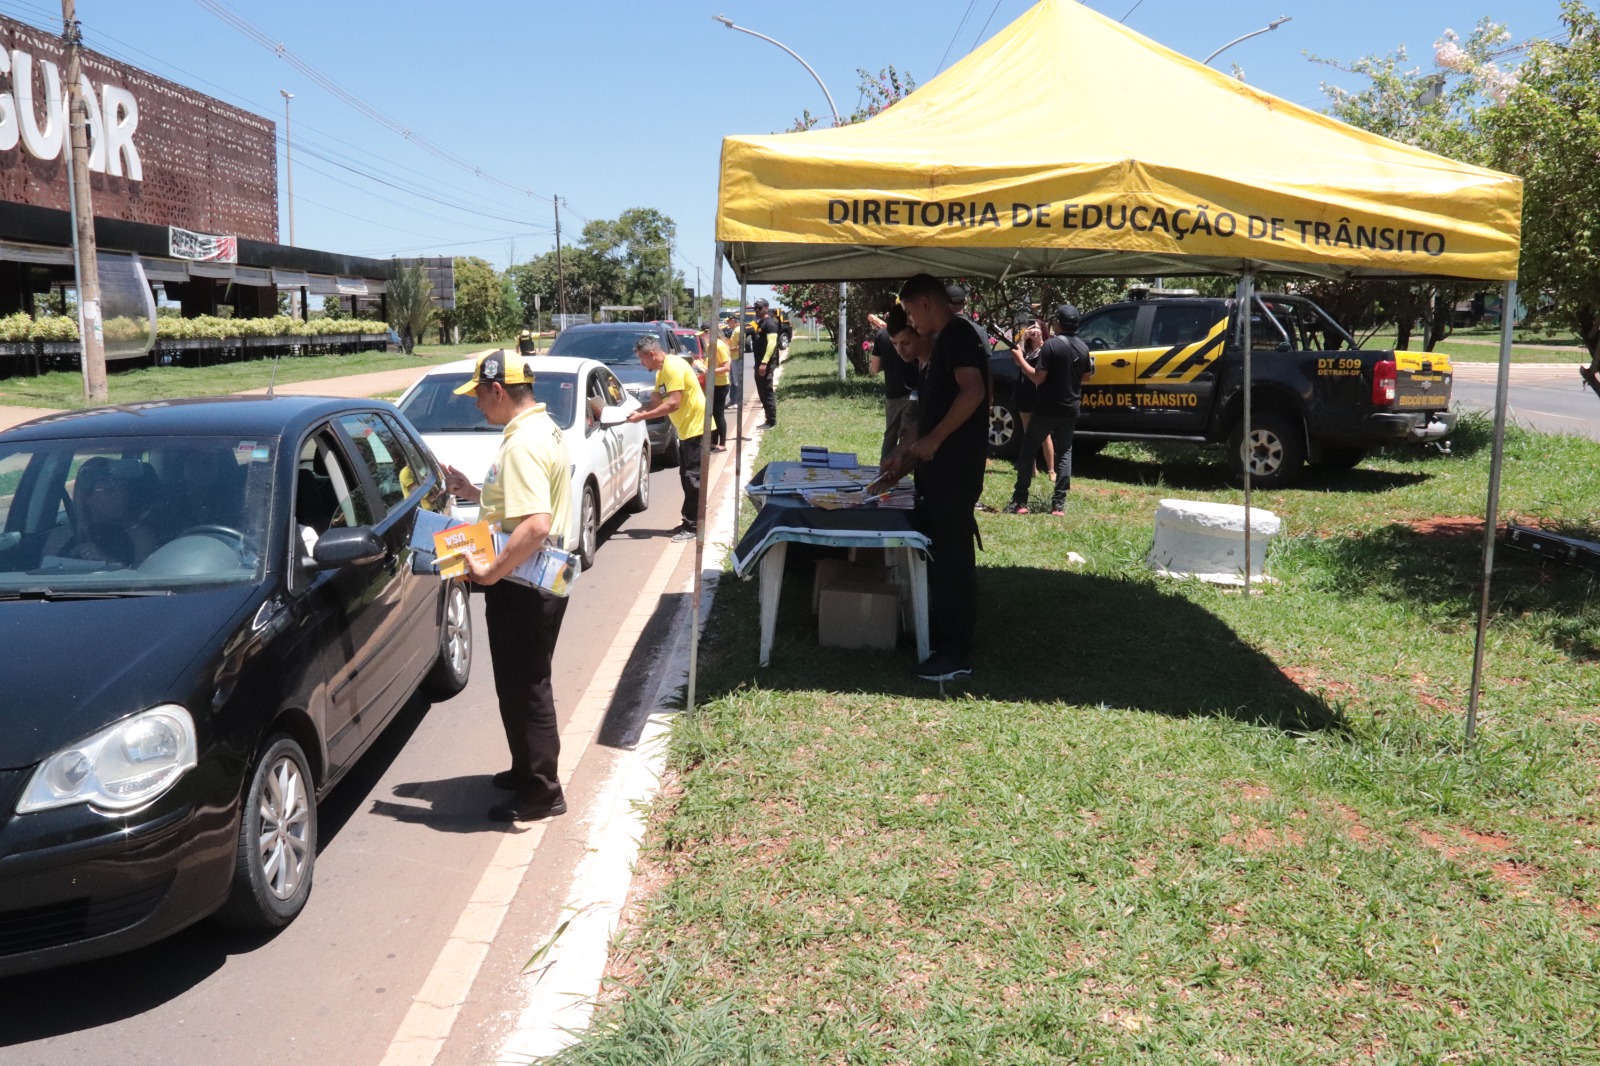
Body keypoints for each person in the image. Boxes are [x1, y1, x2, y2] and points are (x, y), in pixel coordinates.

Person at [440, 349, 574, 823]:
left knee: (527, 687)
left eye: (478, 395)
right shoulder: (541, 429)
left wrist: (491, 572)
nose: (476, 404)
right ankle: (525, 769)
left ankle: (542, 791)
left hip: (523, 583)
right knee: (517, 684)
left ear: (498, 390)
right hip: (536, 579)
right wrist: (475, 493)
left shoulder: (522, 444)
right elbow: (523, 504)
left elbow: (536, 524)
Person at [881, 274, 990, 682]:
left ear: (926, 304)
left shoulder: (958, 334)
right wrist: (904, 453)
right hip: (937, 470)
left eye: (911, 312)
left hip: (955, 468)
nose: (911, 321)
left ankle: (955, 652)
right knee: (941, 558)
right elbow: (928, 415)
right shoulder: (941, 344)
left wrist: (935, 440)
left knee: (953, 560)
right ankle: (941, 637)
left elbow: (973, 392)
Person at [1006, 304, 1090, 516]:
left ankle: (1020, 501)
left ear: (1058, 323)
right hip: (1071, 408)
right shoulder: (1083, 347)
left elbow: (1038, 377)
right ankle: (1058, 505)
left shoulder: (1051, 345)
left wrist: (1020, 360)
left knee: (1028, 450)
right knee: (1065, 452)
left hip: (1047, 408)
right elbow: (1087, 376)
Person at [627, 334, 707, 542]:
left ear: (651, 354)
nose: (641, 364)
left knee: (693, 479)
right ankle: (688, 522)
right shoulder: (661, 373)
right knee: (686, 477)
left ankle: (694, 526)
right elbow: (655, 403)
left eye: (642, 359)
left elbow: (673, 403)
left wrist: (642, 417)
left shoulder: (673, 367)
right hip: (686, 429)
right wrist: (631, 412)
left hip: (696, 428)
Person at [44, 456, 159, 566]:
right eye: (110, 490)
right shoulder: (60, 537)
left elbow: (144, 577)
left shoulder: (139, 535)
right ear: (86, 497)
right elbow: (44, 573)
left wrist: (108, 562)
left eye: (123, 488)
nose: (121, 497)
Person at [871, 307, 920, 466]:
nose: (900, 350)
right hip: (915, 393)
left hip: (894, 394)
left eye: (905, 343)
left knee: (891, 435)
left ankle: (886, 468)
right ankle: (898, 469)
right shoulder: (914, 335)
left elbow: (874, 368)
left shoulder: (881, 335)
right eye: (895, 344)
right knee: (908, 435)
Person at [700, 326, 733, 452]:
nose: (702, 337)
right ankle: (714, 442)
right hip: (712, 384)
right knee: (712, 414)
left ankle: (722, 444)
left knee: (718, 414)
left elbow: (726, 367)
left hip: (720, 384)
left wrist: (709, 370)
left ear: (709, 332)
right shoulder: (711, 345)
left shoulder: (718, 345)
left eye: (703, 334)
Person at [751, 297, 782, 428]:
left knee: (767, 392)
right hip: (759, 363)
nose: (757, 310)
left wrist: (764, 363)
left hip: (766, 364)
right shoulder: (761, 323)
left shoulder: (770, 324)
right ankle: (767, 419)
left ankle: (772, 421)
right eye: (755, 308)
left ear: (766, 308)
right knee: (762, 392)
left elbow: (772, 344)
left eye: (759, 307)